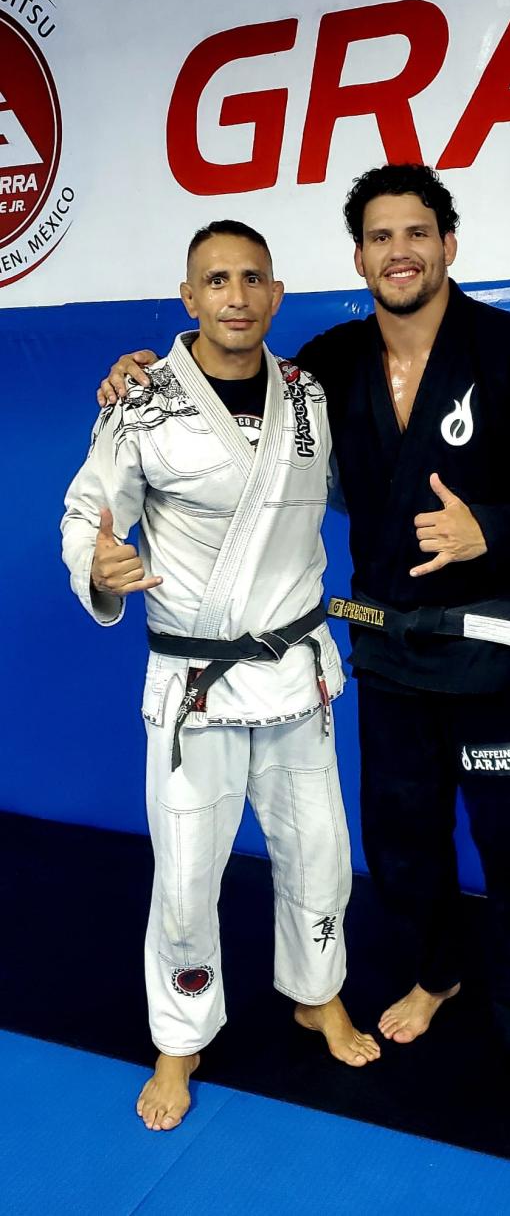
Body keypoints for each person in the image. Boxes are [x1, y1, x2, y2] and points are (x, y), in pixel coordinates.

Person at [98, 165, 510, 1137]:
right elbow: (233, 383)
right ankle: (437, 972)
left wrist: (492, 527)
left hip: (489, 644)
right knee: (402, 841)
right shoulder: (328, 363)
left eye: (416, 233)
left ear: (448, 244)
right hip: (386, 646)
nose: (398, 252)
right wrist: (145, 376)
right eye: (379, 237)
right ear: (359, 257)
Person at [62, 220, 380, 1133]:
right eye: (215, 280)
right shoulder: (141, 402)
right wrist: (98, 564)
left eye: (251, 278)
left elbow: (354, 487)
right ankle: (180, 1036)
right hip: (195, 685)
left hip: (295, 672)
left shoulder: (309, 396)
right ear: (189, 296)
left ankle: (318, 994)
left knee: (320, 852)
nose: (235, 296)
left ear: (276, 295)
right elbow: (88, 510)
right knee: (187, 871)